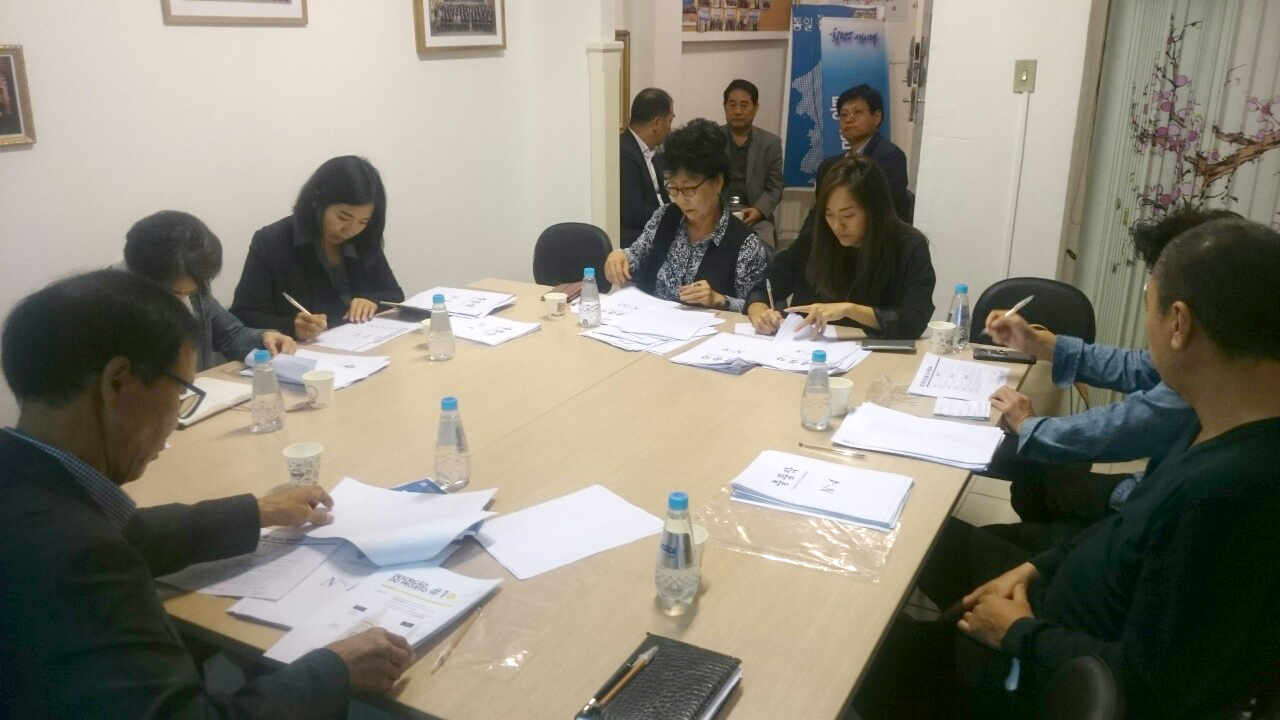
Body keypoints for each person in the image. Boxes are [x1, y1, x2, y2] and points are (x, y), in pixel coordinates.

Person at [854, 218, 1280, 719]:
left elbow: (1152, 689)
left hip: (1033, 673)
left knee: (854, 660)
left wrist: (1019, 633)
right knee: (908, 544)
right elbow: (1127, 525)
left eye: (1149, 305)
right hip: (1041, 607)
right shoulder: (1213, 417)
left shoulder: (1228, 495)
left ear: (1178, 324)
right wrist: (1036, 566)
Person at [0, 270, 414, 718]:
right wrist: (334, 670)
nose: (176, 415)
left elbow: (127, 535)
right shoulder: (74, 557)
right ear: (117, 382)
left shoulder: (27, 482)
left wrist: (257, 512)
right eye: (181, 390)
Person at [976, 208, 1238, 550]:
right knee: (1033, 487)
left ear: (1179, 319)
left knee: (983, 533)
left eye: (1151, 292)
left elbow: (1120, 428)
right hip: (1154, 497)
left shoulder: (1207, 380)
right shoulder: (1229, 348)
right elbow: (1138, 367)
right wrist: (1036, 342)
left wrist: (1028, 424)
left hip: (1144, 513)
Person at [743, 155, 935, 340]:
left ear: (874, 210)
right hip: (808, 350)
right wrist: (758, 309)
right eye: (829, 214)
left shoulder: (908, 247)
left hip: (875, 355)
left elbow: (914, 320)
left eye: (848, 215)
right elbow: (766, 284)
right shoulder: (816, 237)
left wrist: (849, 309)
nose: (837, 226)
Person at [231, 156, 404, 341]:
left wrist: (373, 301)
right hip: (301, 350)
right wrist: (291, 326)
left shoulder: (363, 238)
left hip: (361, 345)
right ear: (316, 202)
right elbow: (244, 315)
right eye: (343, 218)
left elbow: (395, 295)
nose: (350, 230)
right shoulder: (272, 241)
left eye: (363, 221)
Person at [604, 118, 769, 312]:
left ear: (718, 182)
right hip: (652, 322)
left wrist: (720, 300)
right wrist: (619, 257)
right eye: (673, 189)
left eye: (689, 189)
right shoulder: (665, 217)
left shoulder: (743, 243)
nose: (681, 200)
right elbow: (636, 255)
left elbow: (756, 306)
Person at [123, 210, 296, 371]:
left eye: (191, 292)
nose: (184, 299)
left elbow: (231, 334)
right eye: (174, 293)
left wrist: (264, 338)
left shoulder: (194, 281)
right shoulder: (118, 305)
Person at [799, 85, 910, 241]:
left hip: (873, 243)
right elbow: (817, 215)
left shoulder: (889, 157)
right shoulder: (829, 166)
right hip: (832, 243)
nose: (849, 119)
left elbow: (884, 214)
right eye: (843, 114)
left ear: (877, 117)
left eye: (857, 112)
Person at [720, 79, 784, 249]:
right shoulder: (712, 139)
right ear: (724, 107)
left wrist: (759, 211)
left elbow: (775, 187)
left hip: (755, 216)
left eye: (744, 105)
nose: (737, 111)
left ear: (755, 108)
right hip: (717, 214)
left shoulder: (770, 143)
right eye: (732, 105)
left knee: (762, 252)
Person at [620, 88, 675, 248]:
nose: (670, 129)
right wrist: (671, 218)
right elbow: (632, 212)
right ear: (657, 123)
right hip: (635, 241)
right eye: (670, 121)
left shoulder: (651, 151)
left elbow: (662, 196)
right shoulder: (625, 153)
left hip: (657, 232)